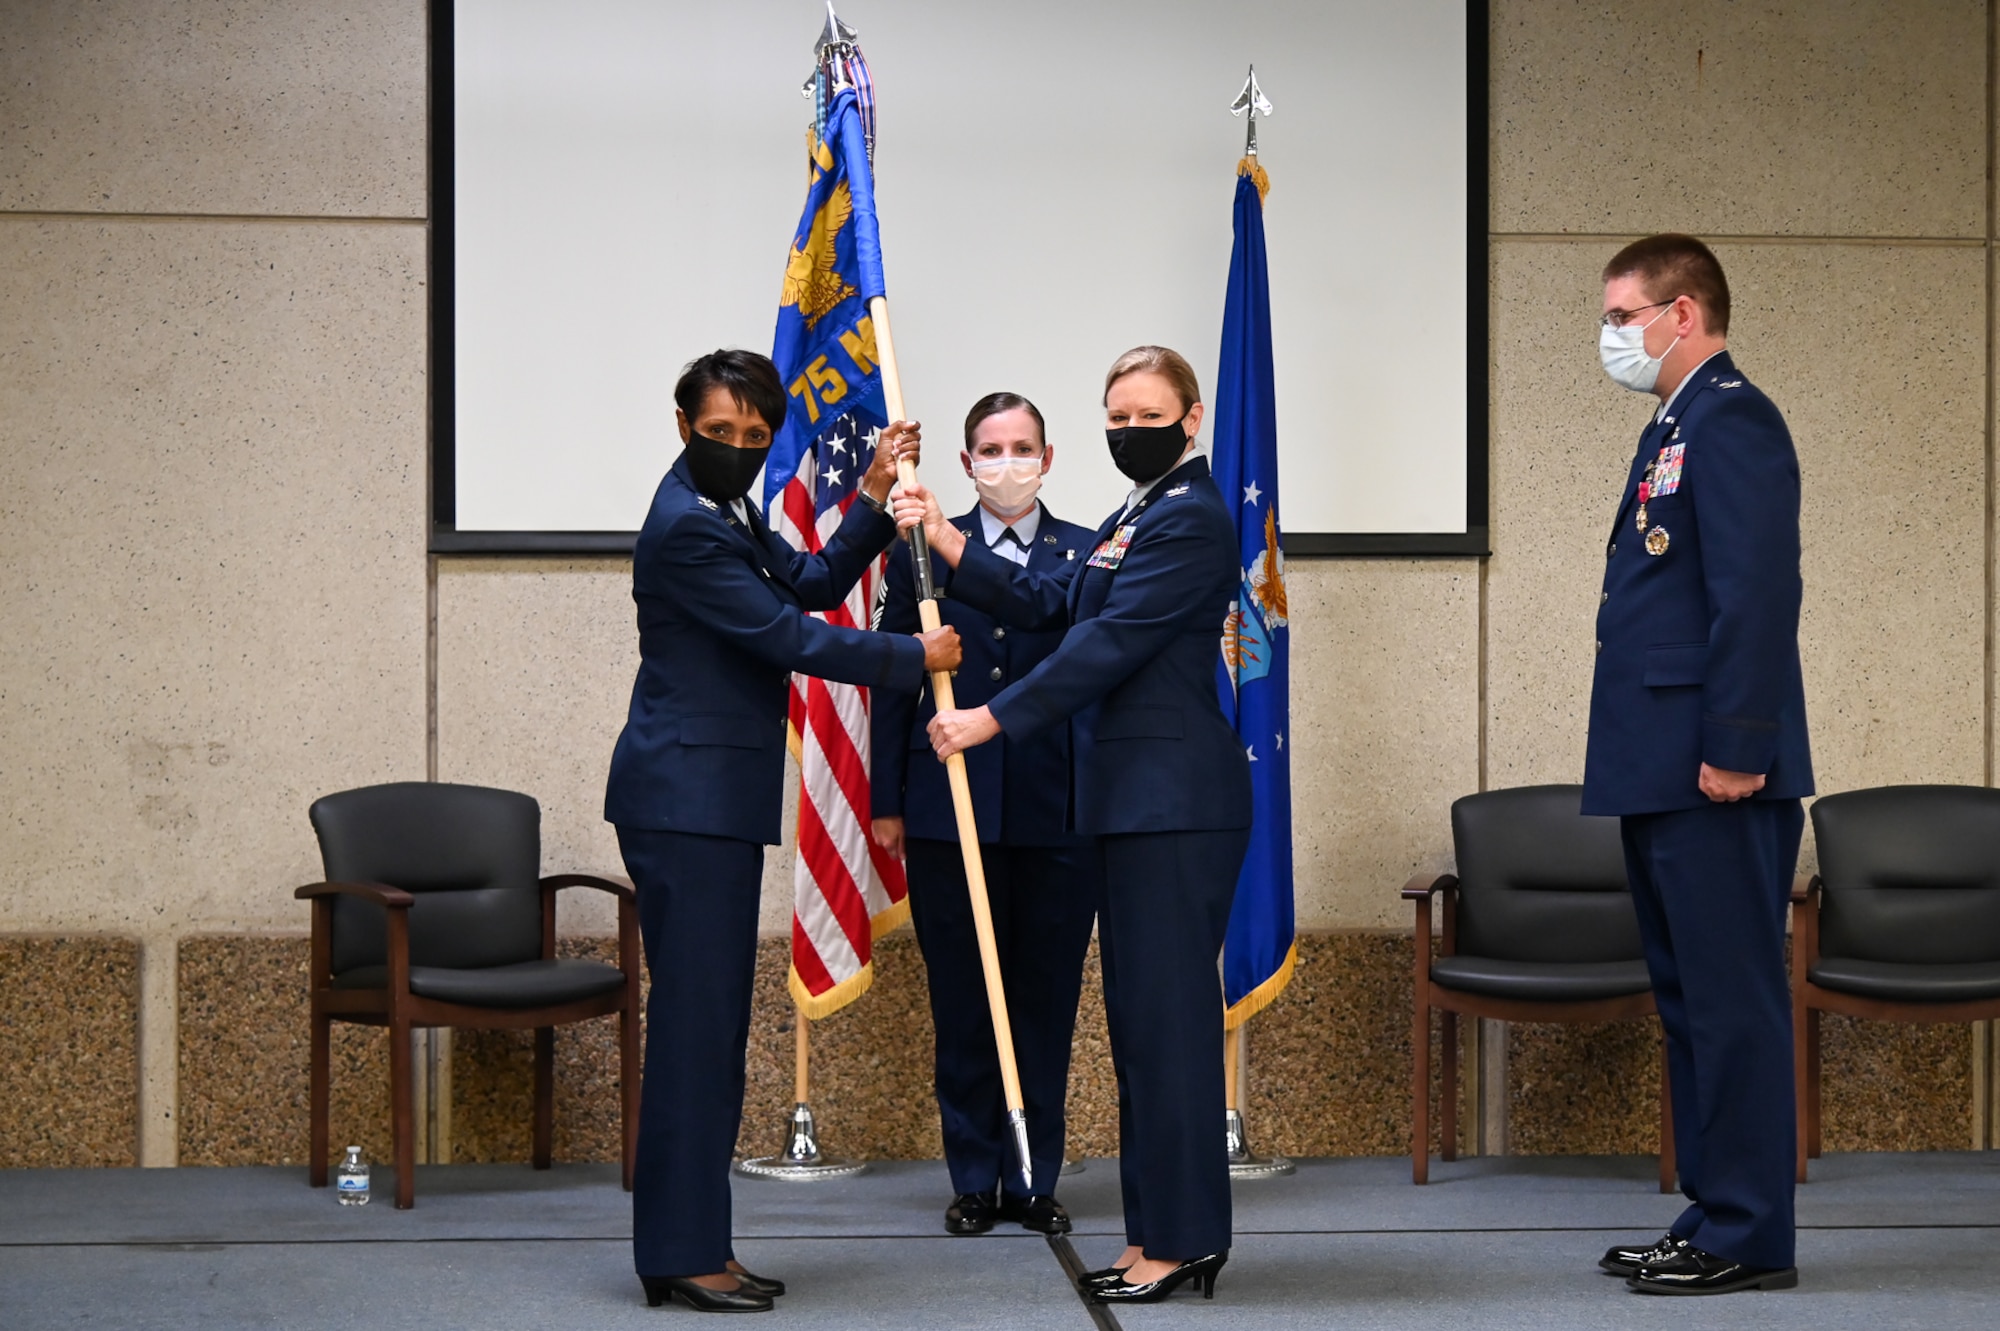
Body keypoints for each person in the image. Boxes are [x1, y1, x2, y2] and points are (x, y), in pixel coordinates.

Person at [604, 349, 961, 1314]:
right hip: (686, 802)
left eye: (757, 439)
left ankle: (693, 1243)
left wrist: (878, 492)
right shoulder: (687, 527)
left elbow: (803, 581)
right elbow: (786, 636)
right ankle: (682, 1254)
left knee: (710, 1029)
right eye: (721, 434)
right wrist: (910, 654)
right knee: (695, 1032)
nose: (741, 451)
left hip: (704, 801)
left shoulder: (722, 509)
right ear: (683, 427)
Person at [897, 346, 1251, 1305]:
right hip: (1131, 804)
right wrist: (950, 540)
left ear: (1193, 416)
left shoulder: (1190, 519)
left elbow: (1104, 645)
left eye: (1148, 415)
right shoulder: (1137, 515)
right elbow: (1054, 601)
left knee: (1168, 1029)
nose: (1130, 430)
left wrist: (989, 716)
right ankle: (1156, 1238)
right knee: (1141, 1029)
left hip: (1175, 803)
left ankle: (1180, 1242)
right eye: (1116, 415)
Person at [1585, 236, 1813, 1296]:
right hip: (1659, 762)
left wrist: (1734, 747)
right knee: (1688, 1001)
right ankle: (1713, 1208)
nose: (1610, 334)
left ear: (1683, 312)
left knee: (1730, 1002)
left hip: (1713, 767)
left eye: (1622, 313)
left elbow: (1754, 594)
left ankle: (1751, 1229)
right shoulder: (1671, 423)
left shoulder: (1731, 416)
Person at [870, 392, 1101, 1238]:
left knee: (1043, 1001)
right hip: (948, 810)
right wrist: (885, 802)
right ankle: (974, 1175)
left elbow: (1063, 634)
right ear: (965, 465)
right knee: (964, 1003)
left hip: (1059, 814)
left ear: (1048, 456)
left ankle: (1033, 1177)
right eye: (990, 450)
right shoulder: (914, 555)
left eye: (1022, 447)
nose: (1008, 462)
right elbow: (896, 676)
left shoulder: (1086, 555)